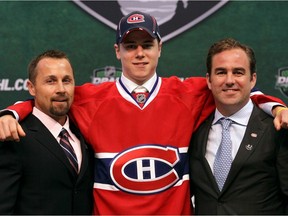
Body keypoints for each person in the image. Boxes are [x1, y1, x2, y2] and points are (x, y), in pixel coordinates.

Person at [0, 12, 287, 215]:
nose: (139, 53)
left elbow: (237, 90)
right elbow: (47, 102)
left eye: (147, 45)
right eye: (130, 46)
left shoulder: (190, 93)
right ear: (117, 51)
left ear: (160, 48)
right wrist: (11, 112)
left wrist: (275, 105)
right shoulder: (88, 98)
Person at [189, 38, 288, 214]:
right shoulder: (193, 129)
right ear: (209, 80)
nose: (229, 80)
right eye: (220, 72)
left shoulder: (277, 128)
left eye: (238, 72)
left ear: (252, 80)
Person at [0, 50, 94, 214]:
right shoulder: (13, 136)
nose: (61, 89)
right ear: (31, 88)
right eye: (50, 81)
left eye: (66, 80)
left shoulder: (85, 131)